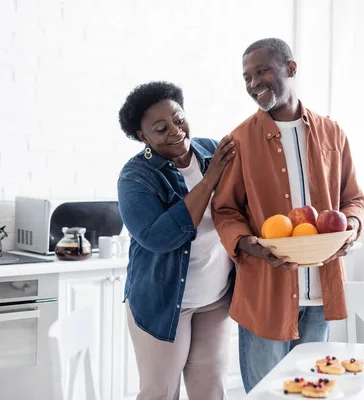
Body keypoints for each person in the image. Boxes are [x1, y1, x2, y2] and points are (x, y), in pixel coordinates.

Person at [211, 38, 364, 392]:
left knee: (313, 391)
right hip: (265, 294)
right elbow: (224, 210)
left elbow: (353, 199)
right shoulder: (239, 141)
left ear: (291, 69)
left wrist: (351, 229)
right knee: (266, 394)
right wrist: (250, 244)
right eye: (247, 77)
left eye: (262, 71)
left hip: (319, 296)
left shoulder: (332, 133)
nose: (254, 84)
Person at [117, 81, 236, 400]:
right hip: (163, 301)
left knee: (210, 391)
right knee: (160, 392)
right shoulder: (136, 177)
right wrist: (210, 181)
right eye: (160, 128)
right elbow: (160, 237)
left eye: (178, 119)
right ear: (143, 137)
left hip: (215, 297)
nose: (176, 131)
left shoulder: (213, 151)